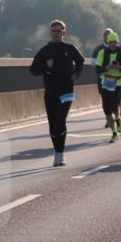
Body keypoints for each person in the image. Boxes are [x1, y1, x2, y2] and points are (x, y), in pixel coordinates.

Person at [30, 20, 85, 166]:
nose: (56, 33)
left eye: (58, 31)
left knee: (61, 120)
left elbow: (80, 61)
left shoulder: (70, 48)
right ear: (50, 33)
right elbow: (33, 69)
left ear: (63, 33)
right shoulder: (45, 50)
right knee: (53, 125)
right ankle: (57, 151)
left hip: (66, 90)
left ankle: (60, 154)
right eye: (53, 31)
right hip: (51, 92)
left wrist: (76, 74)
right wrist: (45, 66)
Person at [95, 32, 121, 142]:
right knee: (106, 109)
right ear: (107, 42)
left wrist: (119, 68)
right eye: (110, 42)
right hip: (106, 82)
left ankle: (118, 118)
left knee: (115, 105)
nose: (112, 44)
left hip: (118, 82)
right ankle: (114, 133)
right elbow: (97, 70)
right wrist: (107, 67)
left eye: (114, 42)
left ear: (117, 42)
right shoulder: (102, 52)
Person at [92, 28, 112, 127]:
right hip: (102, 78)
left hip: (115, 78)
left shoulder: (118, 49)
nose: (107, 37)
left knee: (114, 99)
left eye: (109, 35)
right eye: (105, 35)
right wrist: (103, 67)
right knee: (105, 99)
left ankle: (118, 113)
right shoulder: (98, 49)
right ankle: (109, 119)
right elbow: (93, 63)